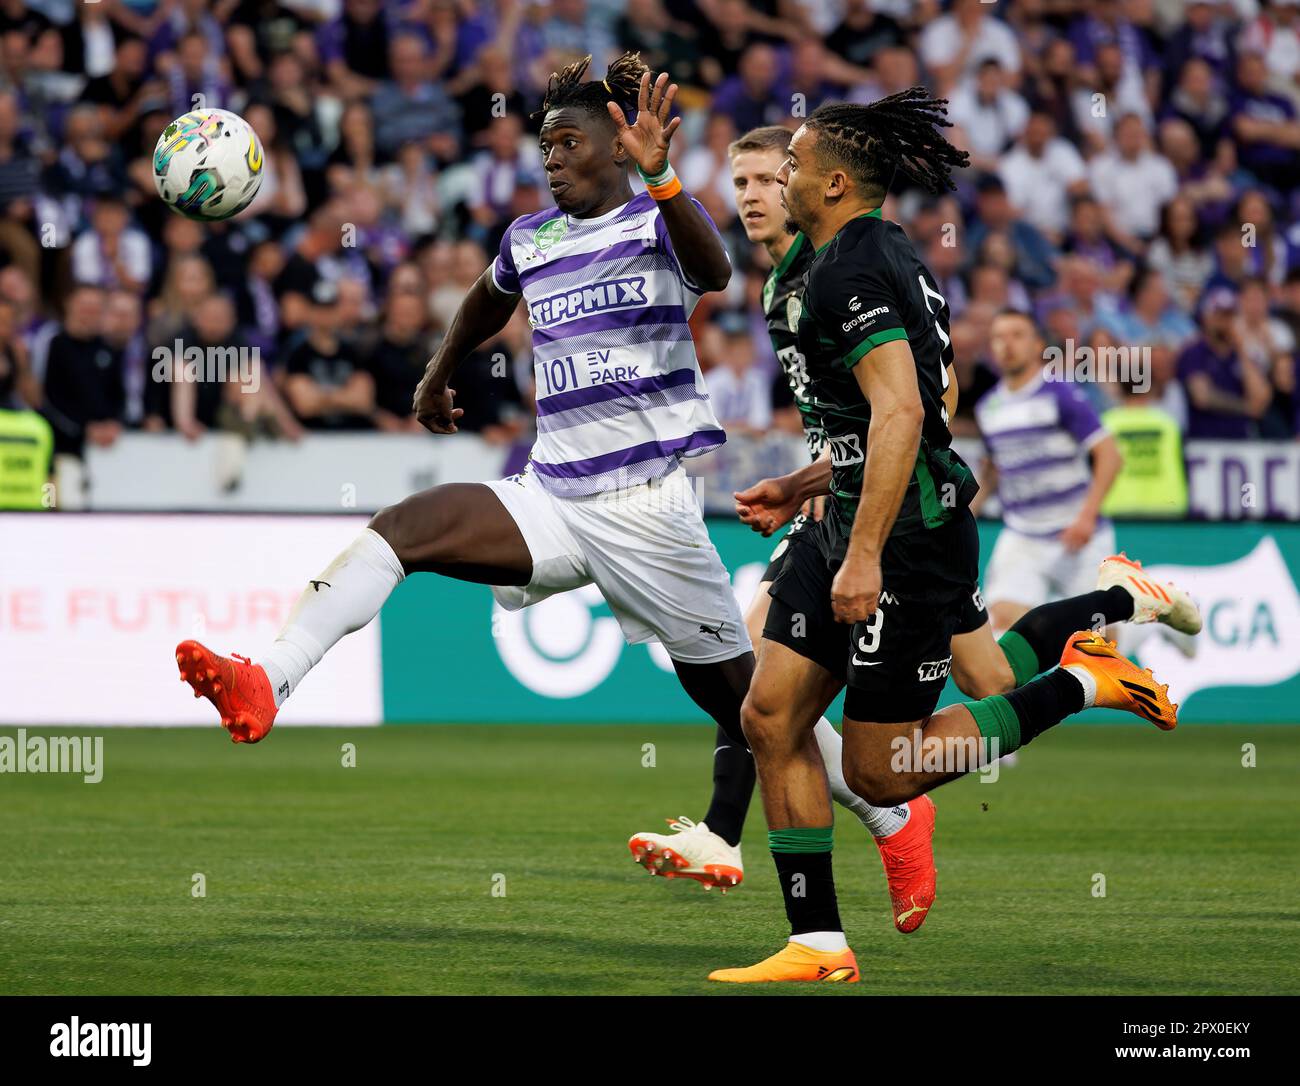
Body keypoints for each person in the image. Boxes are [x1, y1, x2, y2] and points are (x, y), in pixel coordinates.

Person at [171, 57, 763, 883]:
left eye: (567, 142)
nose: (549, 158)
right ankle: (266, 680)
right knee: (404, 528)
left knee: (756, 713)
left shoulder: (655, 221)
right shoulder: (531, 237)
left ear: (618, 147)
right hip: (553, 496)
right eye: (543, 145)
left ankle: (888, 809)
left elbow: (716, 271)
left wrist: (663, 173)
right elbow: (491, 295)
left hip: (645, 510)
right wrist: (439, 369)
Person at [708, 90, 1199, 984]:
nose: (777, 177)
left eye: (790, 163)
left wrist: (862, 551)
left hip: (902, 537)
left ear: (835, 180)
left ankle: (1084, 681)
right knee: (770, 714)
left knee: (887, 770)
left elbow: (903, 410)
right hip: (854, 510)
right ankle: (816, 940)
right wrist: (805, 483)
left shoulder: (847, 272)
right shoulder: (872, 253)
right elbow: (892, 418)